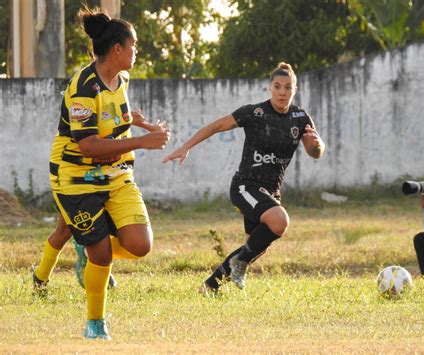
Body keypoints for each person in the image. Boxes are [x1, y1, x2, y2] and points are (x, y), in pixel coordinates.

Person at [40, 7, 170, 340]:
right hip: (75, 177)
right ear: (117, 49)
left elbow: (113, 122)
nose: (136, 52)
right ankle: (95, 323)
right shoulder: (84, 88)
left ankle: (88, 243)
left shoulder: (120, 79)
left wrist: (139, 124)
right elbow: (87, 145)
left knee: (140, 245)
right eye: (134, 45)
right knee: (101, 253)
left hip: (115, 173)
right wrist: (144, 142)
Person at [163, 62, 325, 294]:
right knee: (280, 221)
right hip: (245, 186)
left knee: (256, 246)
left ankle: (210, 287)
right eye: (277, 86)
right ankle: (239, 264)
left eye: (288, 87)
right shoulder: (255, 113)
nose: (282, 92)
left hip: (270, 192)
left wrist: (318, 144)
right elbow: (217, 126)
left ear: (294, 90)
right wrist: (186, 146)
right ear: (270, 88)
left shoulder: (300, 117)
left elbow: (315, 151)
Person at [32, 111, 164, 292]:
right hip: (77, 171)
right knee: (64, 230)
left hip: (112, 172)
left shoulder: (118, 84)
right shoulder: (82, 90)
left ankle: (90, 254)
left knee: (100, 239)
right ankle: (40, 278)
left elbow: (115, 113)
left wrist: (133, 120)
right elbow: (91, 126)